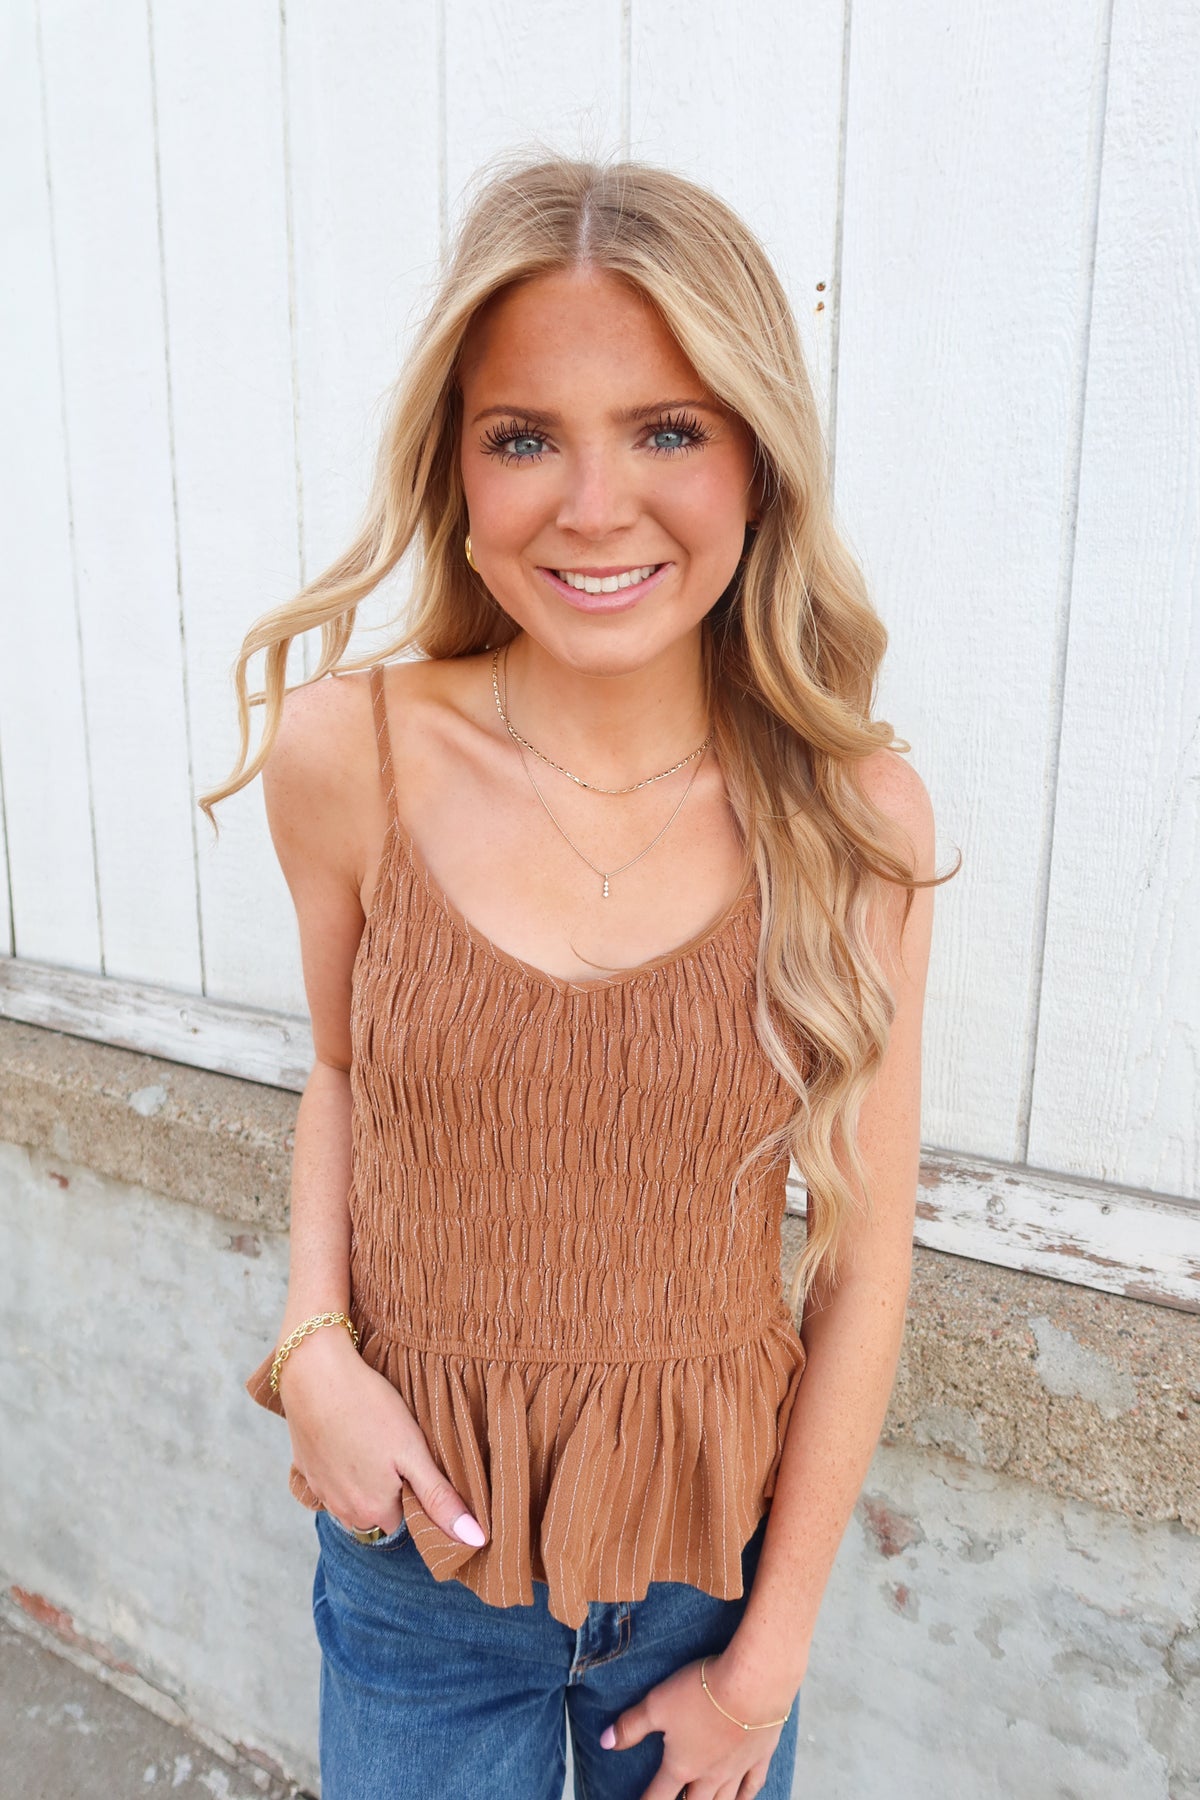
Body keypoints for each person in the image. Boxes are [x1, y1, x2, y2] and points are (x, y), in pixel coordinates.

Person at [201, 153, 955, 1800]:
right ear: (458, 469)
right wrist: (312, 1342)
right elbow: (343, 1070)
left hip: (712, 1575)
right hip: (419, 1558)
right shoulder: (350, 756)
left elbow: (864, 1268)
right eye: (526, 436)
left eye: (668, 430)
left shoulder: (854, 821)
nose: (594, 506)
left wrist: (764, 1669)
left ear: (758, 460)